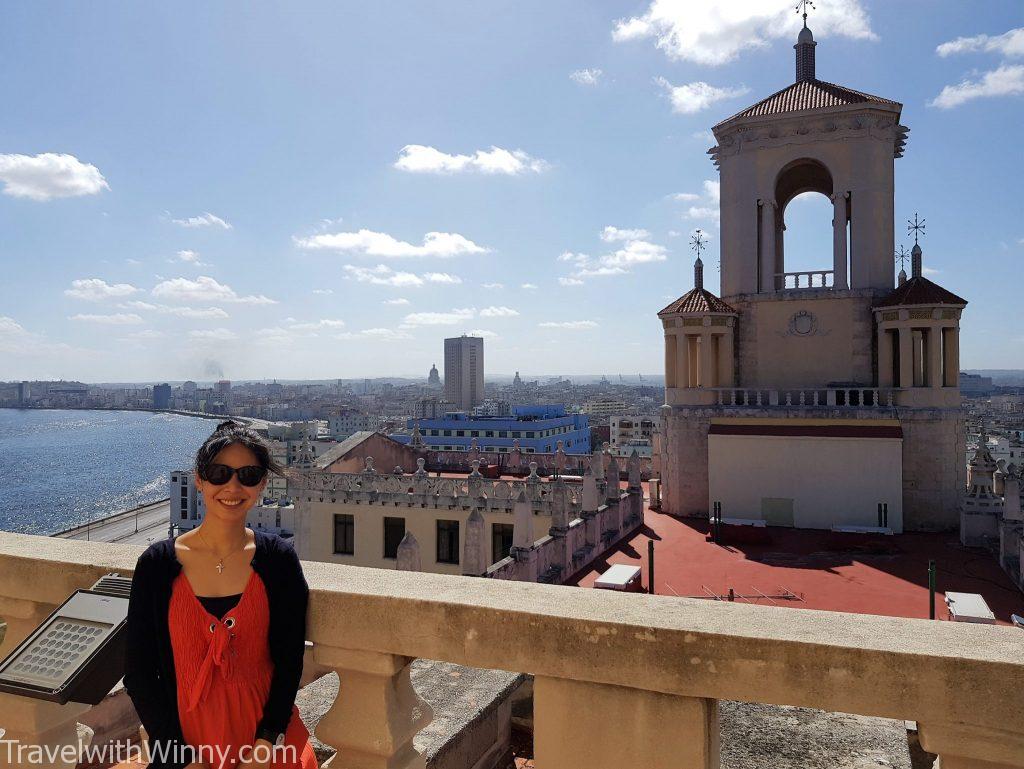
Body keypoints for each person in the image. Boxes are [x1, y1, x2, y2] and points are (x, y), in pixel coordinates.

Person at [123, 420, 317, 769]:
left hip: (265, 742)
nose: (233, 486)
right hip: (186, 743)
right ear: (199, 479)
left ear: (261, 484)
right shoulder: (157, 565)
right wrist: (181, 758)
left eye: (248, 475)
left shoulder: (277, 560)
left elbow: (289, 663)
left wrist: (265, 744)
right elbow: (138, 671)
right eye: (219, 473)